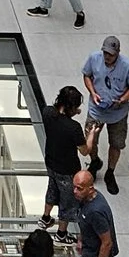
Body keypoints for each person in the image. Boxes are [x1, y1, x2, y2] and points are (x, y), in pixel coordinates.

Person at [80, 35, 129, 191]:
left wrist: (122, 100)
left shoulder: (128, 66)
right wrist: (93, 92)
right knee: (90, 142)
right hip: (96, 110)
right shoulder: (94, 58)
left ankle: (110, 172)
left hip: (118, 113)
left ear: (118, 53)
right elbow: (86, 75)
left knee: (116, 143)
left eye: (111, 54)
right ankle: (94, 161)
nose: (107, 57)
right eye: (105, 53)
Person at [39, 85, 87, 222]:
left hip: (51, 162)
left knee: (52, 189)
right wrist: (92, 136)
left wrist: (73, 112)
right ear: (71, 107)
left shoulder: (47, 112)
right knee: (68, 202)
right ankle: (62, 233)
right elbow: (84, 151)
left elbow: (59, 116)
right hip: (67, 170)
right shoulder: (74, 128)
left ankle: (46, 217)